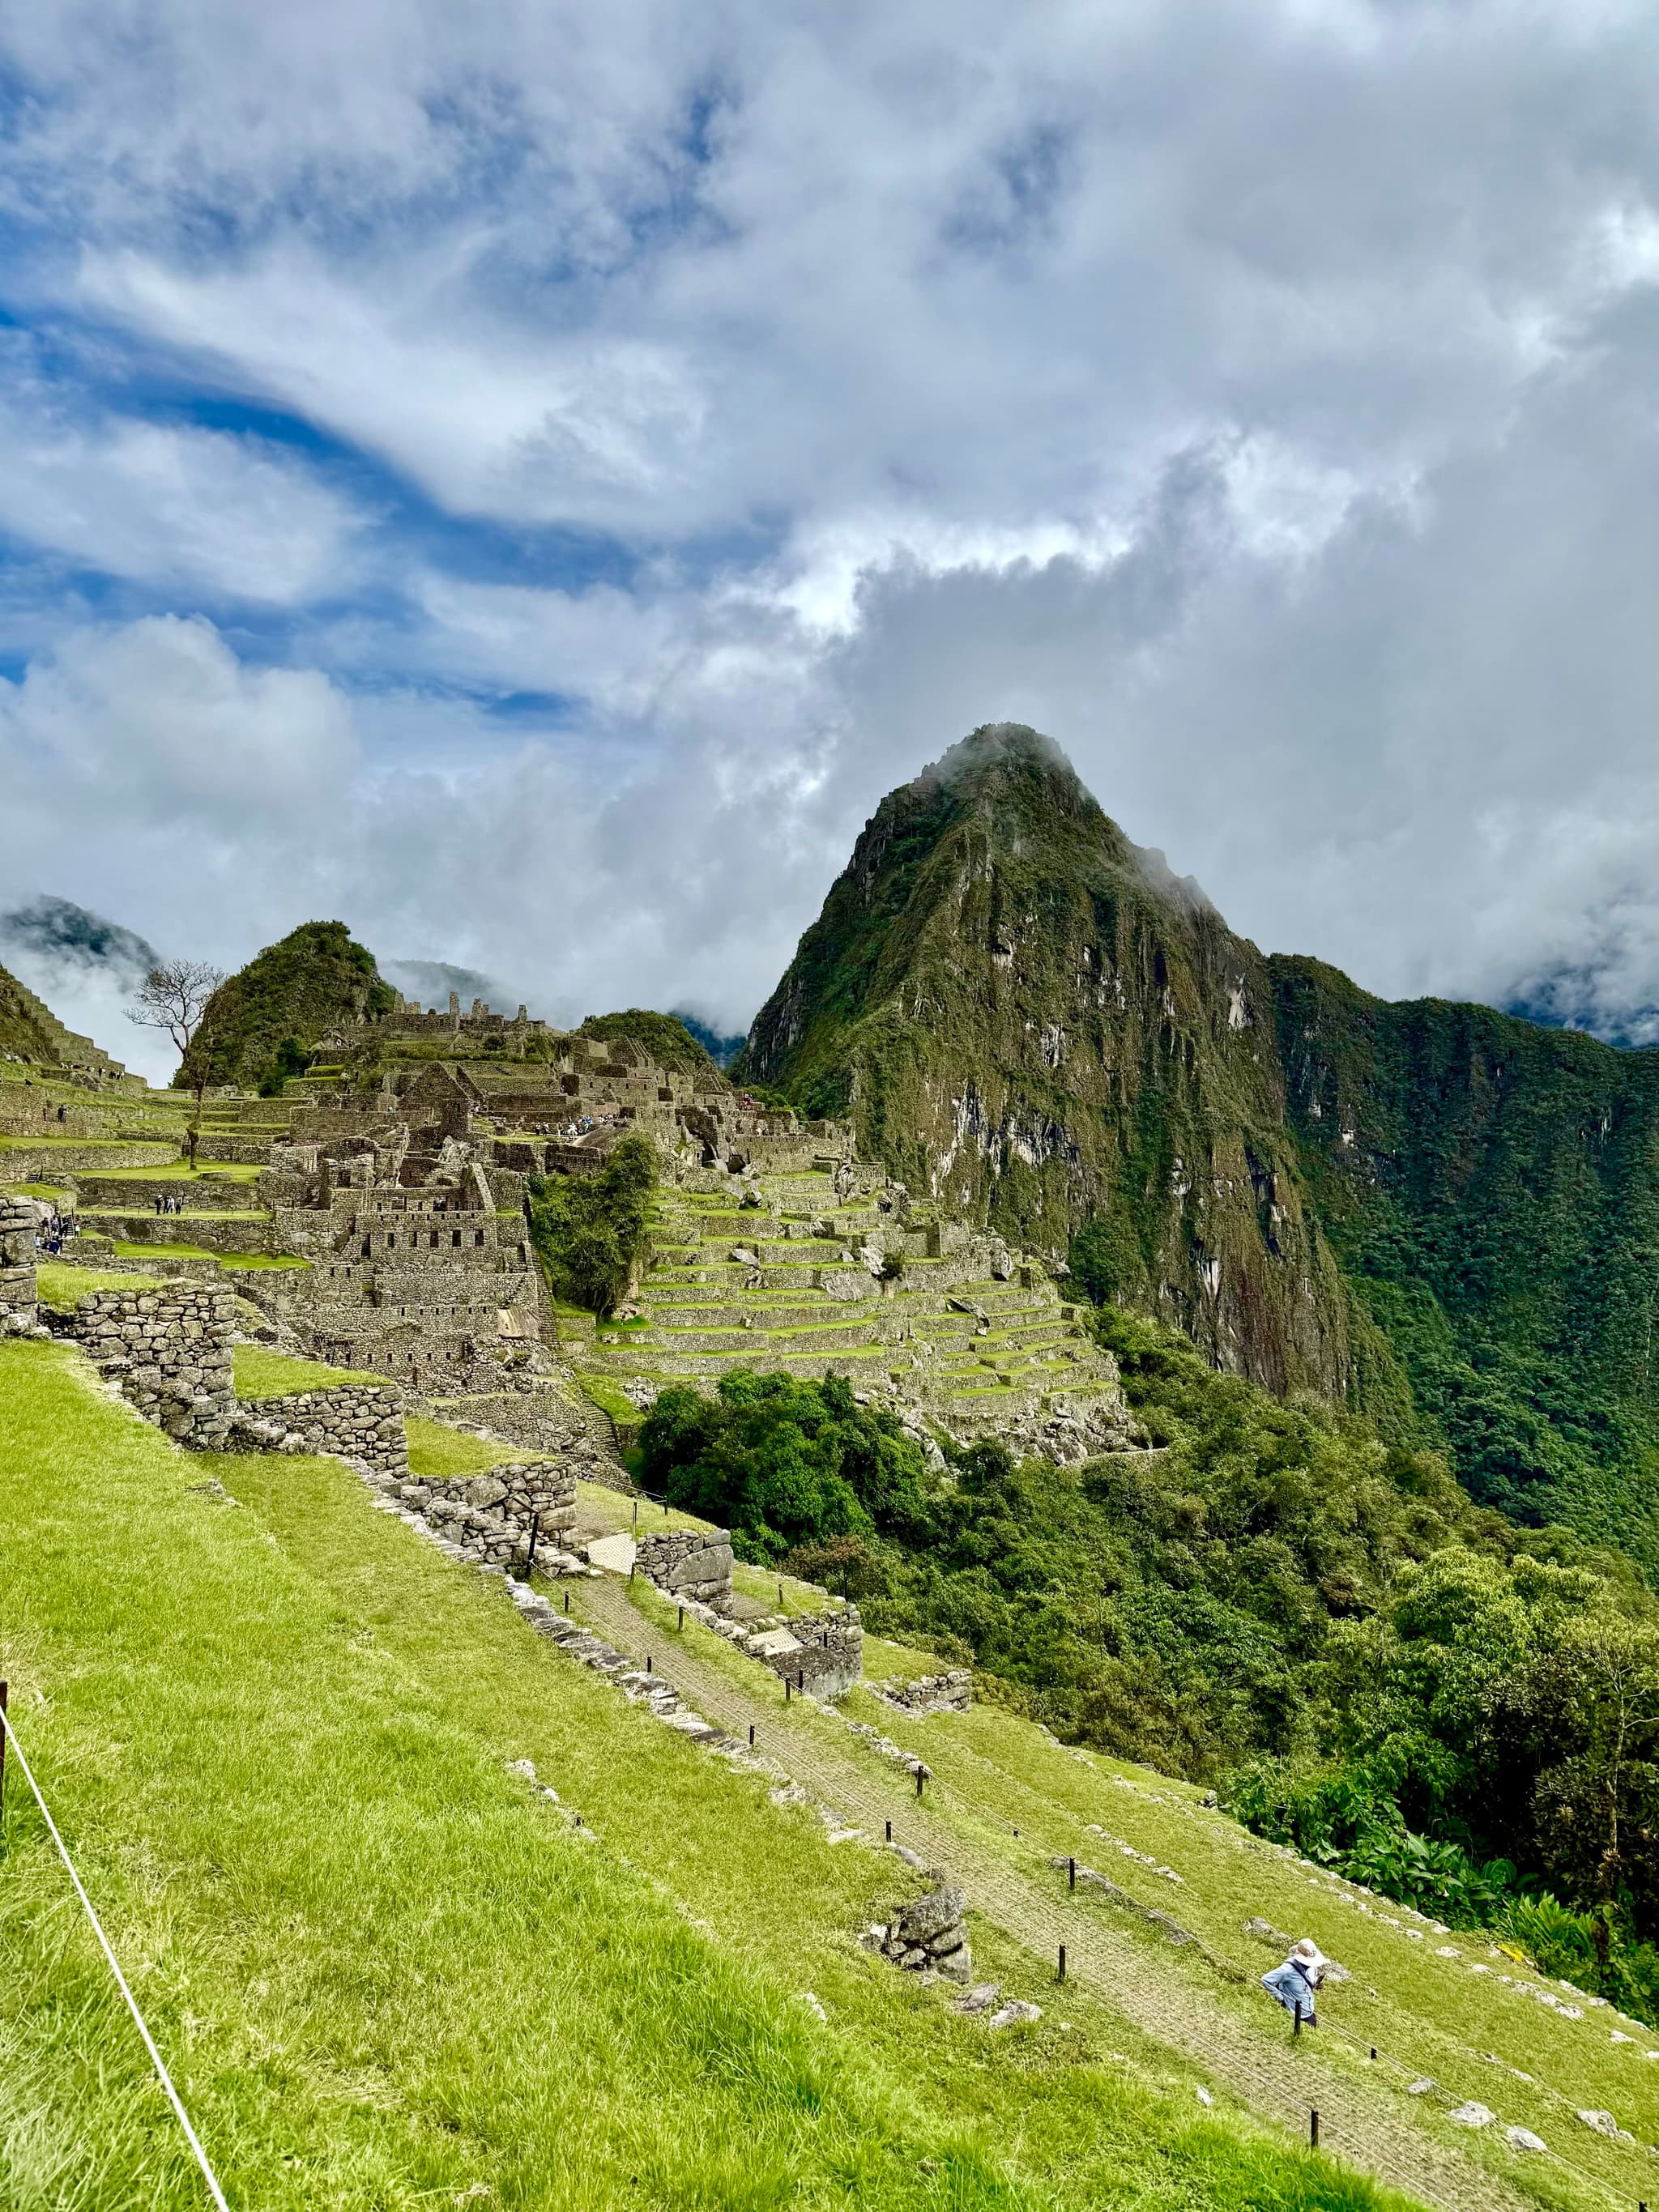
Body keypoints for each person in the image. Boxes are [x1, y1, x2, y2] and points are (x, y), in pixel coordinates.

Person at [1262, 1938, 1330, 2027]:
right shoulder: (1288, 1970)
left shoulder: (1312, 1966)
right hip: (1294, 2015)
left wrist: (1315, 1983)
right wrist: (1281, 1999)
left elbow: (1308, 1979)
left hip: (1309, 2012)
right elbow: (1266, 1980)